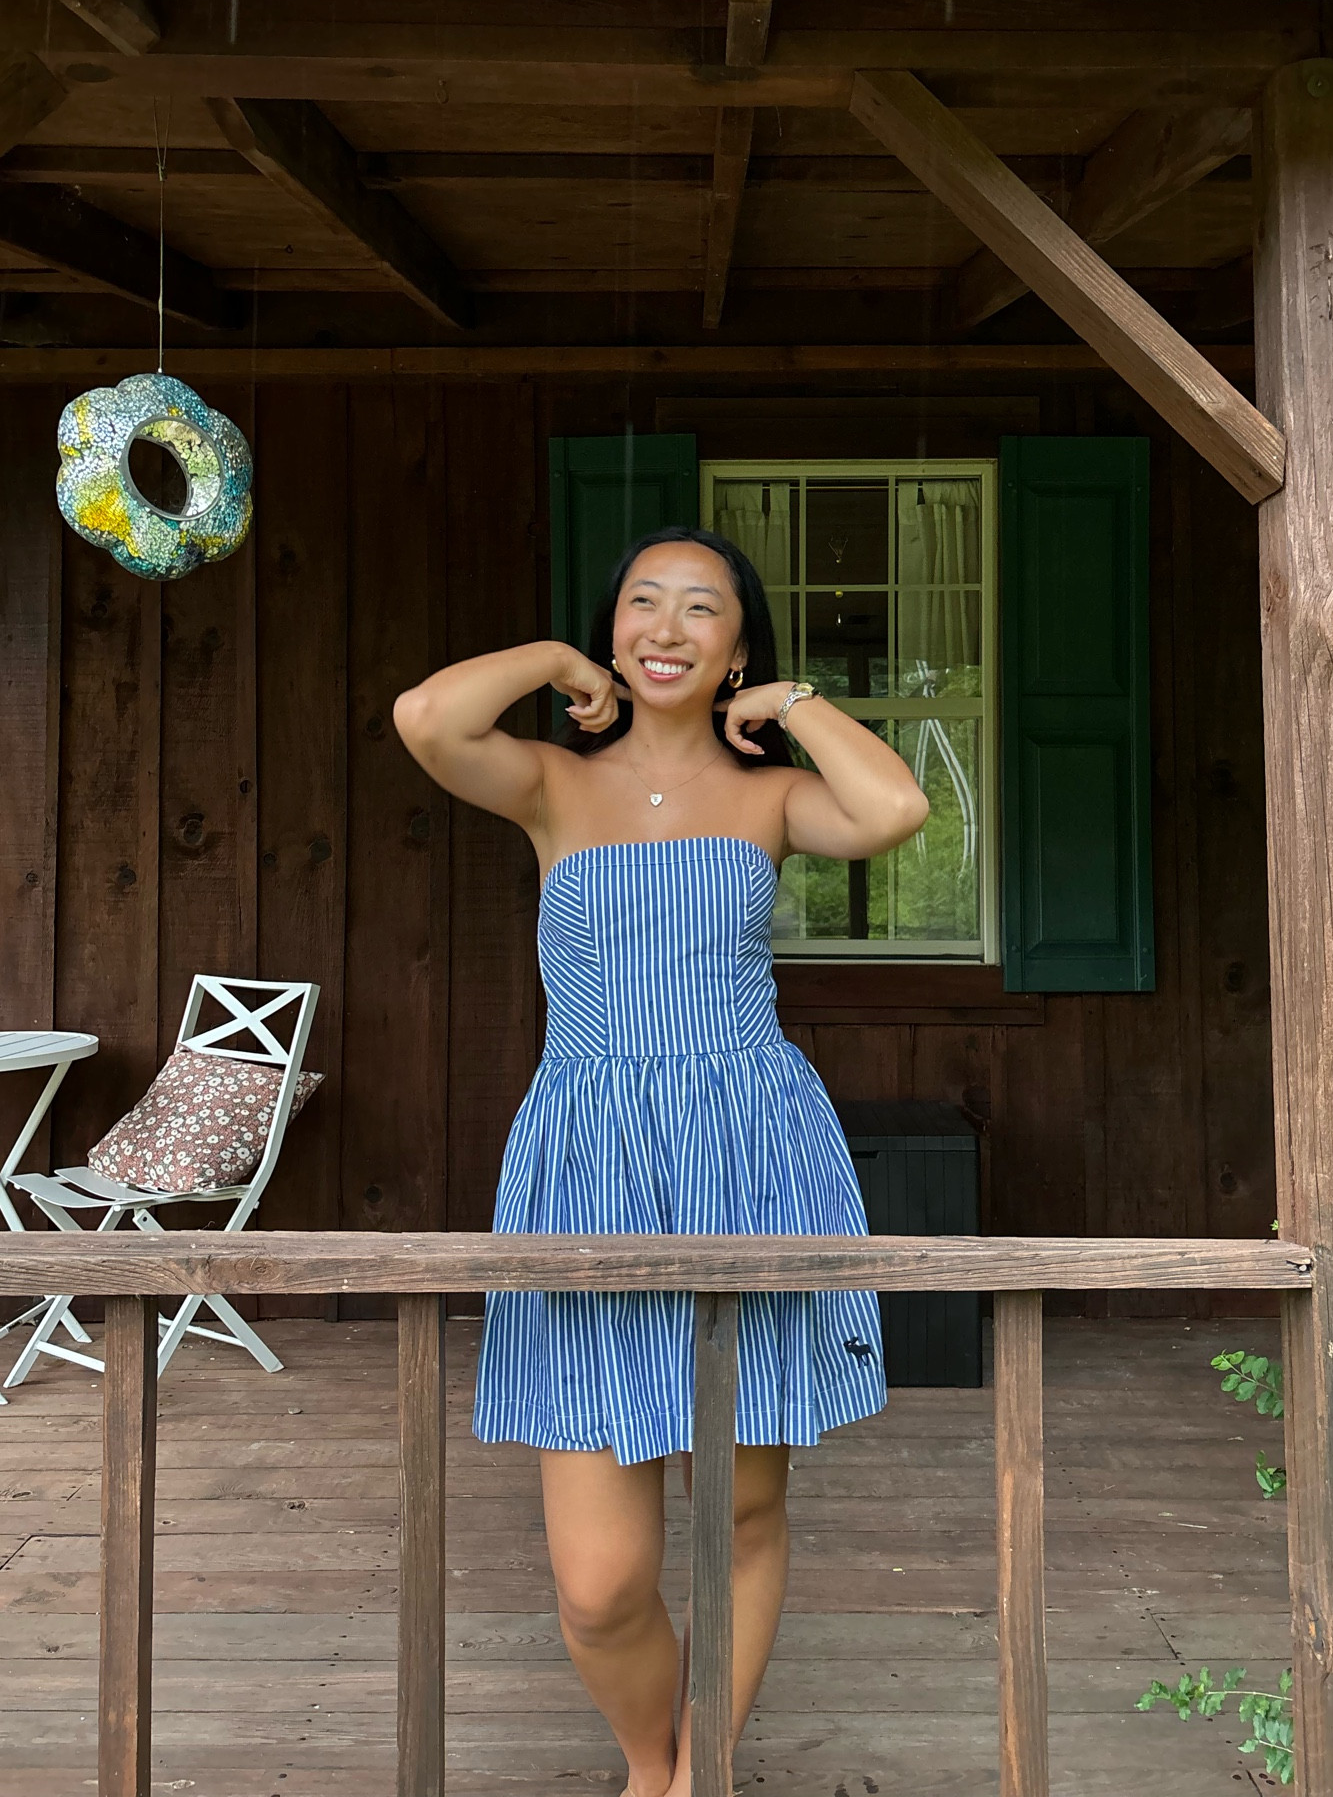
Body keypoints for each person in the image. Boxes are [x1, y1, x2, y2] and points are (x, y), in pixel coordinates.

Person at [394, 525, 928, 1797]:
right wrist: (551, 658)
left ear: (740, 642)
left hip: (747, 1153)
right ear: (615, 630)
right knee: (600, 1584)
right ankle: (656, 1757)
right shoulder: (547, 783)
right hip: (585, 1160)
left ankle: (684, 1780)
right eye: (645, 604)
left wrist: (793, 703)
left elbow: (894, 807)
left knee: (739, 1511)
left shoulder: (768, 798)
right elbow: (426, 714)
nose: (670, 628)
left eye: (704, 609)